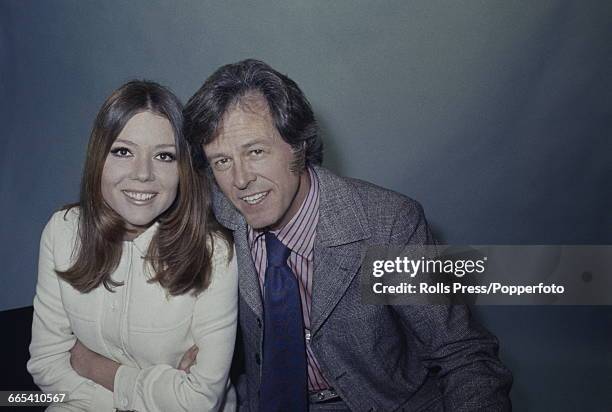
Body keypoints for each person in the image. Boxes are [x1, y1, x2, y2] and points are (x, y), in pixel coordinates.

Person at [183, 59, 513, 411]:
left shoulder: (387, 224)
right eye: (221, 161)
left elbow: (463, 355)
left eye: (256, 151)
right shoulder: (216, 214)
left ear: (299, 145)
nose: (240, 179)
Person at [28, 80, 238, 411]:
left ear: (183, 169)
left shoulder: (214, 253)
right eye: (123, 151)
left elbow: (199, 401)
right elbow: (46, 363)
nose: (143, 174)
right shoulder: (63, 232)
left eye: (164, 156)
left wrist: (94, 367)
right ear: (99, 157)